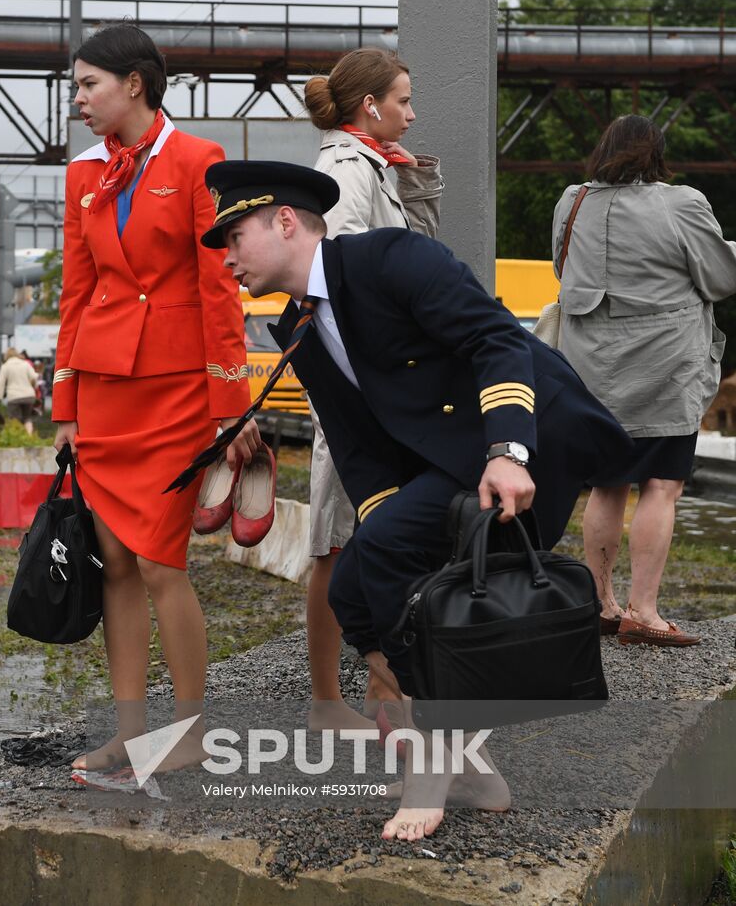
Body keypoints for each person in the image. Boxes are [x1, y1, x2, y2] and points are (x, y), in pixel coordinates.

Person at [207, 159, 629, 841]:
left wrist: (507, 451)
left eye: (233, 238)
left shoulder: (389, 257)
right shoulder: (301, 327)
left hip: (529, 436)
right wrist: (383, 553)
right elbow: (357, 448)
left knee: (407, 571)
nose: (226, 259)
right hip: (456, 457)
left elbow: (494, 338)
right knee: (355, 587)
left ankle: (432, 757)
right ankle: (471, 762)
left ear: (284, 221)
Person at [52, 23, 257, 777]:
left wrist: (230, 404)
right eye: (76, 86)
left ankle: (192, 729)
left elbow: (220, 290)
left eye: (87, 85)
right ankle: (130, 732)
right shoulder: (81, 174)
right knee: (113, 561)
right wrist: (65, 409)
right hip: (105, 391)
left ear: (134, 83)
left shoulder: (200, 161)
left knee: (161, 559)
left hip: (177, 394)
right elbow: (76, 295)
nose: (77, 99)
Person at [301, 48, 443, 731]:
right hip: (361, 388)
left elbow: (418, 257)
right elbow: (348, 271)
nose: (412, 114)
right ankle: (332, 701)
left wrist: (413, 182)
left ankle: (371, 697)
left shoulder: (371, 165)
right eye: (405, 101)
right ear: (370, 107)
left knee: (363, 536)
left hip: (376, 385)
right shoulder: (345, 169)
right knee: (336, 540)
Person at [554, 115, 736, 647]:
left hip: (592, 370)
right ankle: (644, 611)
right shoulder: (680, 203)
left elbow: (562, 271)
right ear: (656, 153)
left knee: (607, 484)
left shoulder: (573, 201)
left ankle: (601, 605)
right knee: (663, 483)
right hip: (664, 368)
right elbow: (721, 278)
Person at [0, 347, 41, 434]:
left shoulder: (6, 366)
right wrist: (34, 388)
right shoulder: (25, 364)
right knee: (27, 418)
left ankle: (17, 438)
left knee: (14, 419)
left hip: (14, 397)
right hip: (29, 396)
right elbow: (34, 377)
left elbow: (0, 383)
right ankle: (30, 437)